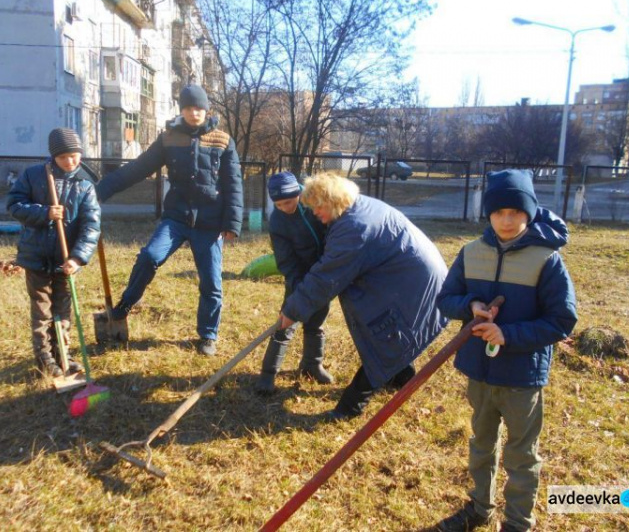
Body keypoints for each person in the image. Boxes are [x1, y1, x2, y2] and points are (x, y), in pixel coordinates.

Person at [434, 169, 578, 532]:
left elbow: (562, 320)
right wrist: (471, 307)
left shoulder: (547, 260)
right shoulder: (471, 252)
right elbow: (445, 299)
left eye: (516, 212)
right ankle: (479, 508)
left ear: (529, 213)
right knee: (481, 444)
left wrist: (507, 334)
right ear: (489, 214)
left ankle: (517, 523)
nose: (507, 220)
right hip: (479, 372)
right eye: (499, 212)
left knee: (521, 455)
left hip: (521, 377)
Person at [279, 173, 449, 419]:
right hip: (409, 276)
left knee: (385, 338)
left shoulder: (354, 228)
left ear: (333, 200)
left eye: (317, 207)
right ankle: (402, 377)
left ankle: (349, 408)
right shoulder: (355, 208)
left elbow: (326, 277)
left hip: (414, 283)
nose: (315, 213)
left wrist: (292, 311)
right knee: (389, 337)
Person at [95, 85, 243, 356]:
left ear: (206, 109)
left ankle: (208, 335)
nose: (193, 113)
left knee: (211, 281)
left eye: (198, 108)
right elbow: (137, 168)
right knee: (150, 256)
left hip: (209, 221)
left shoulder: (223, 140)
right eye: (188, 108)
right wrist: (101, 190)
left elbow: (233, 183)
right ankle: (123, 307)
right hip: (176, 216)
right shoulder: (169, 139)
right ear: (181, 110)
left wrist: (232, 222)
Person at [7, 128, 101, 377]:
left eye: (75, 155)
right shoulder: (34, 176)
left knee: (63, 308)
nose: (70, 162)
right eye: (64, 157)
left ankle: (63, 354)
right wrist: (45, 213)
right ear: (53, 156)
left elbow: (91, 226)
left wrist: (77, 257)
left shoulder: (85, 185)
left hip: (65, 259)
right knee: (42, 310)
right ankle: (44, 356)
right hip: (36, 256)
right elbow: (14, 205)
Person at [255, 172, 333, 394]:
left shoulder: (315, 205)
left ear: (298, 194)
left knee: (317, 321)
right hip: (297, 276)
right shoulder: (278, 221)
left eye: (288, 202)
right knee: (286, 323)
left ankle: (312, 365)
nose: (283, 208)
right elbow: (284, 258)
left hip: (323, 272)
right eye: (278, 204)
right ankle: (268, 374)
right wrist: (298, 287)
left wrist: (325, 273)